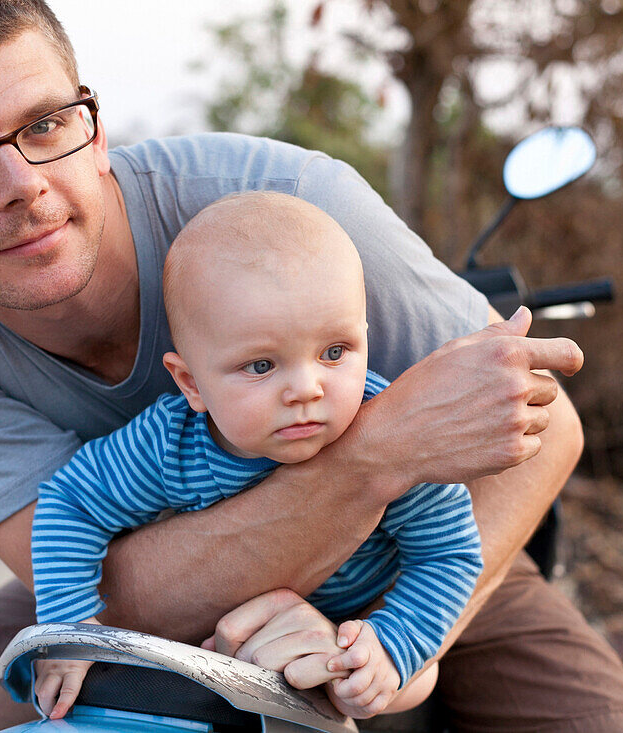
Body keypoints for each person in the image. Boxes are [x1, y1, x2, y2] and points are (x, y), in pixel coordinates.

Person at [0, 1, 623, 730]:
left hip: (406, 557)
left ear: (96, 128)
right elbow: (105, 590)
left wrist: (391, 645)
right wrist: (378, 453)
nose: (20, 185)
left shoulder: (292, 207)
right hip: (108, 575)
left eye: (44, 125)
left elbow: (547, 432)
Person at [30, 191, 483, 720]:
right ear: (191, 383)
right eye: (262, 366)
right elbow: (72, 501)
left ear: (364, 340)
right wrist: (70, 626)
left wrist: (392, 644)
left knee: (411, 686)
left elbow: (448, 553)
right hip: (225, 648)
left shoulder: (388, 429)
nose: (307, 389)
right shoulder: (170, 443)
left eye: (334, 353)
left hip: (361, 624)